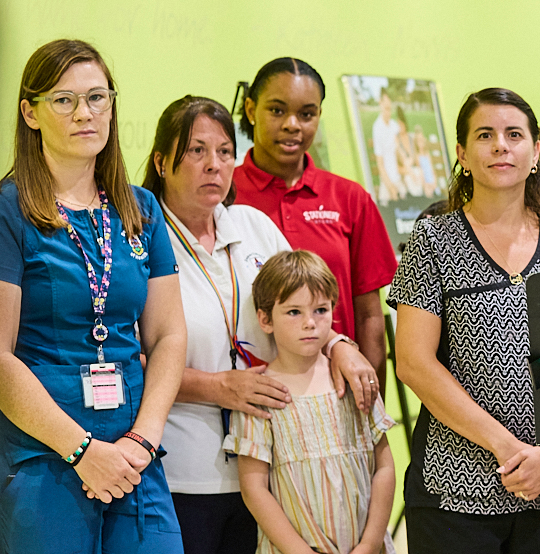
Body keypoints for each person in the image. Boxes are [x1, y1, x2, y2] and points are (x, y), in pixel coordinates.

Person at [144, 95, 381, 553]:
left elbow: (302, 307)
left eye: (224, 152)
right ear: (161, 161)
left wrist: (341, 346)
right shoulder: (140, 236)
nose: (214, 165)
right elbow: (133, 358)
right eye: (196, 151)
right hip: (185, 469)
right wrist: (217, 387)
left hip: (278, 470)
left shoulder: (252, 225)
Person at [0, 39, 186, 552]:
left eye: (97, 97)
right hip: (46, 457)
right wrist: (82, 451)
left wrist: (143, 440)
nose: (85, 113)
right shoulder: (9, 209)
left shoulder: (141, 209)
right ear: (30, 113)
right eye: (64, 100)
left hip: (133, 456)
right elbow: (0, 355)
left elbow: (168, 335)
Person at [388, 88, 540, 554]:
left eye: (514, 134)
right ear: (462, 153)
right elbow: (414, 364)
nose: (501, 145)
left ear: (535, 151)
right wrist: (508, 449)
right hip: (453, 490)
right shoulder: (433, 239)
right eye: (485, 135)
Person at [232, 57, 396, 390]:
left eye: (307, 114)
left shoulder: (350, 198)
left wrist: (370, 400)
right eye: (277, 111)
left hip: (336, 390)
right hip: (251, 393)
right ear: (250, 109)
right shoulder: (224, 196)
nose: (293, 124)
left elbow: (369, 315)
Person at [225, 250, 396, 554]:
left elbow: (384, 467)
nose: (310, 323)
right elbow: (254, 489)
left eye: (320, 310)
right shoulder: (260, 394)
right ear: (265, 319)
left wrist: (370, 544)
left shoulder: (355, 380)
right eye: (294, 312)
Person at [372, 91, 406, 203]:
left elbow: (399, 151)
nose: (389, 112)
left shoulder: (394, 126)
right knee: (386, 204)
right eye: (386, 108)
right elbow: (380, 164)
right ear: (380, 104)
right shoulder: (377, 128)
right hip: (387, 181)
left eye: (390, 108)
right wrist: (391, 187)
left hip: (399, 177)